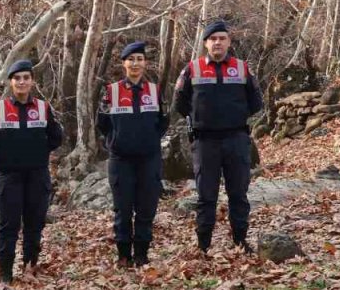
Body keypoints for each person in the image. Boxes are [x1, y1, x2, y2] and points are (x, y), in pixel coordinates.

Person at [174, 21, 263, 254]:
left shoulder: (242, 68)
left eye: (222, 38)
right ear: (205, 43)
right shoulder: (192, 69)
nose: (217, 43)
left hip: (236, 139)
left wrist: (233, 117)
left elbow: (256, 102)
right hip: (205, 142)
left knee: (238, 194)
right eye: (213, 39)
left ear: (229, 42)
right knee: (206, 196)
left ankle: (241, 242)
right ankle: (203, 245)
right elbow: (180, 103)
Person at [0, 59, 64, 283]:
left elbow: (56, 138)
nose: (22, 81)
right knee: (8, 226)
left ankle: (30, 267)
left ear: (32, 81)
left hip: (37, 175)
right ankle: (5, 273)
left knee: (34, 224)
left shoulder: (44, 109)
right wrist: (8, 154)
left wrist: (35, 152)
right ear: (10, 82)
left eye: (26, 77)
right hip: (9, 177)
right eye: (17, 78)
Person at [96, 41, 168, 267]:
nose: (135, 64)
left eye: (139, 59)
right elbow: (102, 123)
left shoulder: (155, 91)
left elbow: (163, 122)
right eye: (131, 59)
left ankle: (142, 255)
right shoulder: (111, 92)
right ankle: (124, 255)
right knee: (123, 209)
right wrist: (116, 140)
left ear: (145, 63)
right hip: (121, 160)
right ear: (124, 63)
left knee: (146, 209)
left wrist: (149, 140)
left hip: (149, 159)